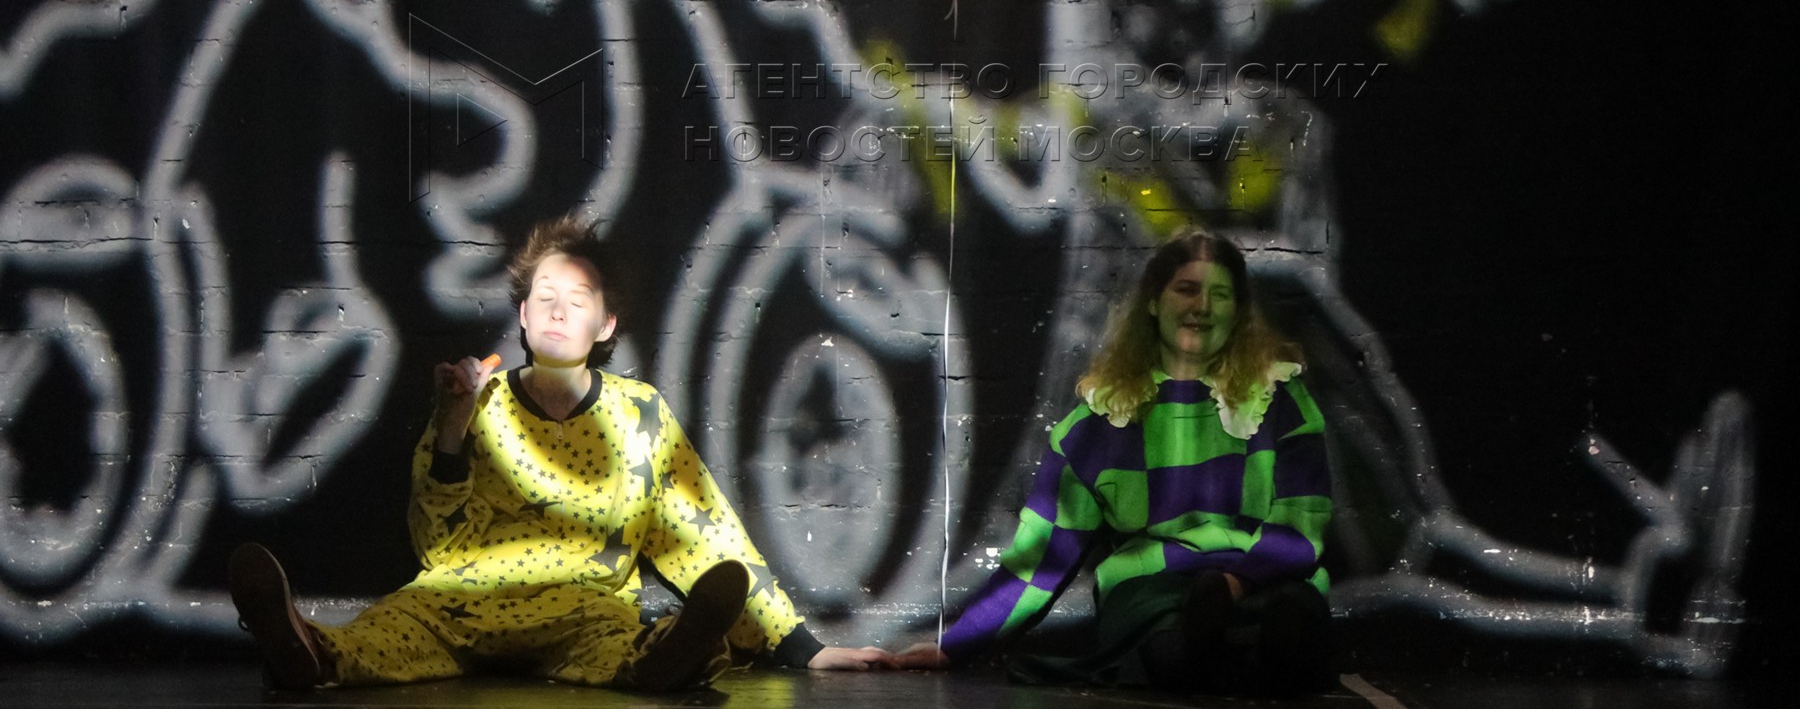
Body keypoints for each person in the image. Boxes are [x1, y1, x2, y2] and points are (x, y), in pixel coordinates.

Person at [229, 217, 892, 690]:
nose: (556, 311)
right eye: (543, 298)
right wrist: (453, 424)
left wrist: (801, 647)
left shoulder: (639, 413)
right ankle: (306, 650)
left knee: (626, 641)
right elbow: (436, 544)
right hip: (462, 600)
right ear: (522, 316)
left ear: (605, 325)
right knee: (391, 627)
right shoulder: (478, 400)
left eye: (576, 301)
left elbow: (704, 532)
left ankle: (671, 658)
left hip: (581, 605)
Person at [898, 227, 1334, 695]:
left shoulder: (1280, 399)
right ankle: (1239, 656)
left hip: (1262, 578)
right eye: (1187, 289)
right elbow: (1043, 557)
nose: (1202, 307)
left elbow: (1300, 525)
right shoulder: (1102, 421)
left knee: (1293, 611)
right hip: (1153, 587)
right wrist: (956, 645)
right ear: (1154, 302)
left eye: (1220, 295)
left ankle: (1247, 645)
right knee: (1168, 644)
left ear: (1238, 310)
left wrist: (1234, 582)